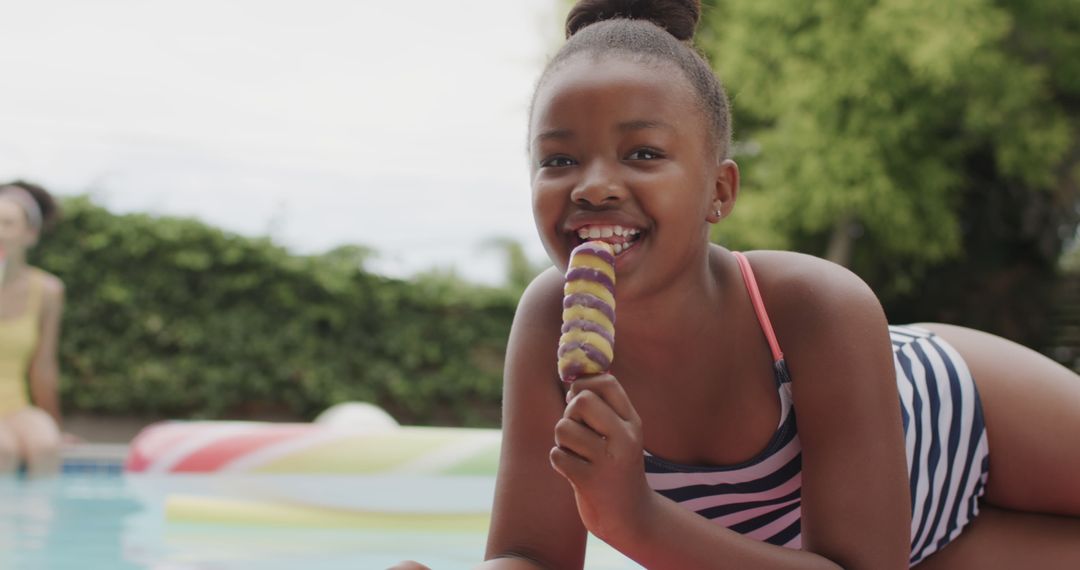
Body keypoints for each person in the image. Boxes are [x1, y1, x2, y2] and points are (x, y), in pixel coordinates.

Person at [393, 1, 1080, 568]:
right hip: (904, 550)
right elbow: (531, 554)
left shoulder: (814, 305)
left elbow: (639, 525)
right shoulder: (548, 321)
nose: (594, 184)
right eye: (559, 159)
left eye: (643, 153)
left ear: (718, 192)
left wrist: (633, 517)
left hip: (960, 420)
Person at [0, 180, 67, 476]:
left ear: (30, 234)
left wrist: (54, 423)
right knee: (4, 449)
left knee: (45, 445)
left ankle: (37, 522)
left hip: (15, 406)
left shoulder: (48, 291)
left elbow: (43, 368)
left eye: (6, 223)